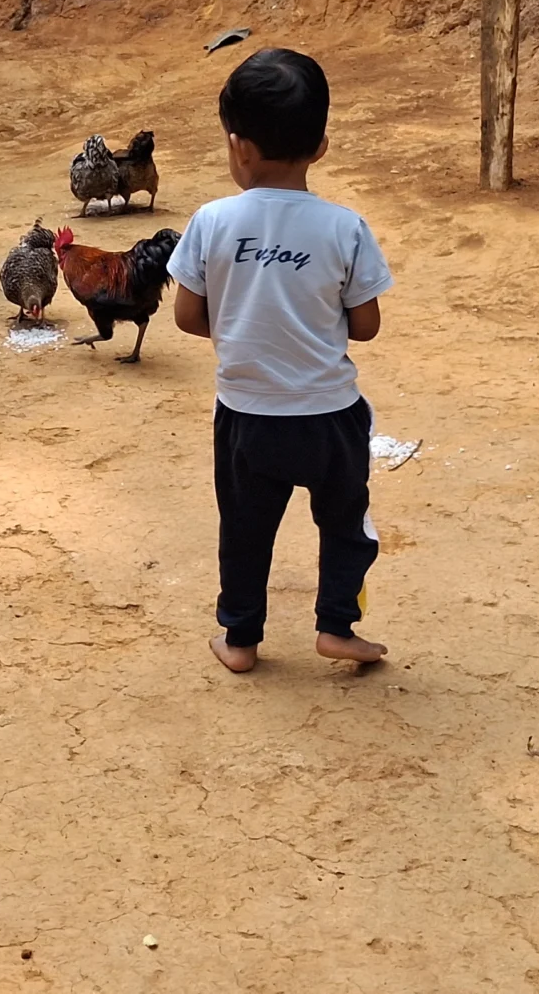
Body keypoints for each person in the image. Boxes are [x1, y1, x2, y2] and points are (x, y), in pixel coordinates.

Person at [169, 48, 394, 672]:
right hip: (330, 417)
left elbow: (187, 317)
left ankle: (240, 640)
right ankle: (337, 627)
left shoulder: (211, 222)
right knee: (347, 524)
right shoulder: (345, 228)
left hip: (247, 416)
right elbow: (367, 327)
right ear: (320, 145)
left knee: (244, 530)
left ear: (237, 146)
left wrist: (241, 325)